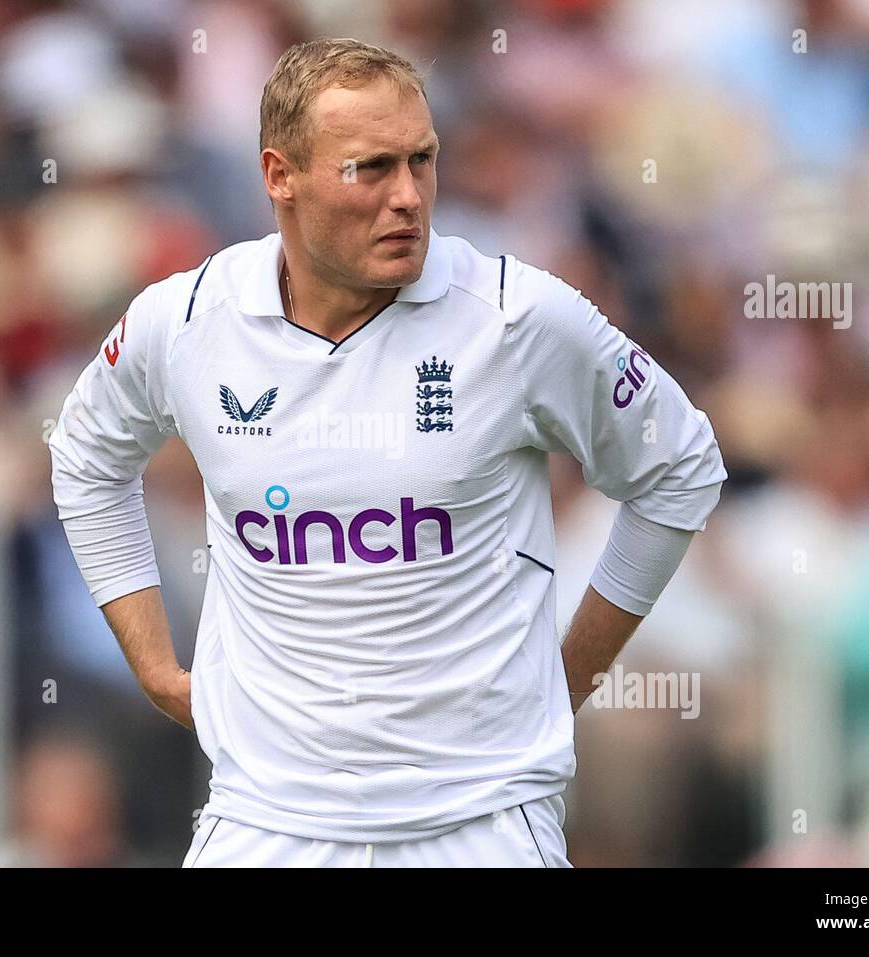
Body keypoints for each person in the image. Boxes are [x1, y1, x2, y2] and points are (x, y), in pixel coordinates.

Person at [48, 38, 726, 867]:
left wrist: (570, 671)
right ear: (279, 175)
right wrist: (154, 664)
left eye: (423, 160)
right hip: (265, 821)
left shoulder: (518, 317)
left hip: (480, 824)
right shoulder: (187, 320)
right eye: (370, 168)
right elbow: (84, 456)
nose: (408, 197)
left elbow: (681, 466)